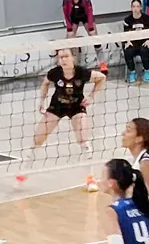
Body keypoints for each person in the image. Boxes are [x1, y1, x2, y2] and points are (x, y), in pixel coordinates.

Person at [31, 47, 107, 192]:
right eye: (60, 57)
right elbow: (45, 83)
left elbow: (101, 78)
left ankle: (90, 178)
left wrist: (91, 97)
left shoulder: (82, 72)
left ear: (73, 57)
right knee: (37, 139)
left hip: (76, 107)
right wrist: (41, 100)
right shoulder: (55, 73)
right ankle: (21, 174)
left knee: (83, 140)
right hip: (57, 106)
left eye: (66, 56)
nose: (63, 60)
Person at [62, 0, 108, 74]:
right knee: (69, 38)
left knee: (94, 36)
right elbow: (66, 14)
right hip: (73, 18)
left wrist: (91, 27)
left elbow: (90, 13)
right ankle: (72, 66)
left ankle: (102, 64)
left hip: (85, 17)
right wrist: (69, 28)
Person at [122, 0, 149, 83]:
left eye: (137, 6)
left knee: (144, 50)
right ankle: (132, 72)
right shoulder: (127, 20)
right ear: (131, 8)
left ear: (141, 8)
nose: (135, 9)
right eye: (133, 7)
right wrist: (127, 41)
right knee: (127, 51)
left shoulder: (147, 19)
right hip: (134, 44)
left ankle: (147, 71)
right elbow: (125, 34)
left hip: (145, 43)